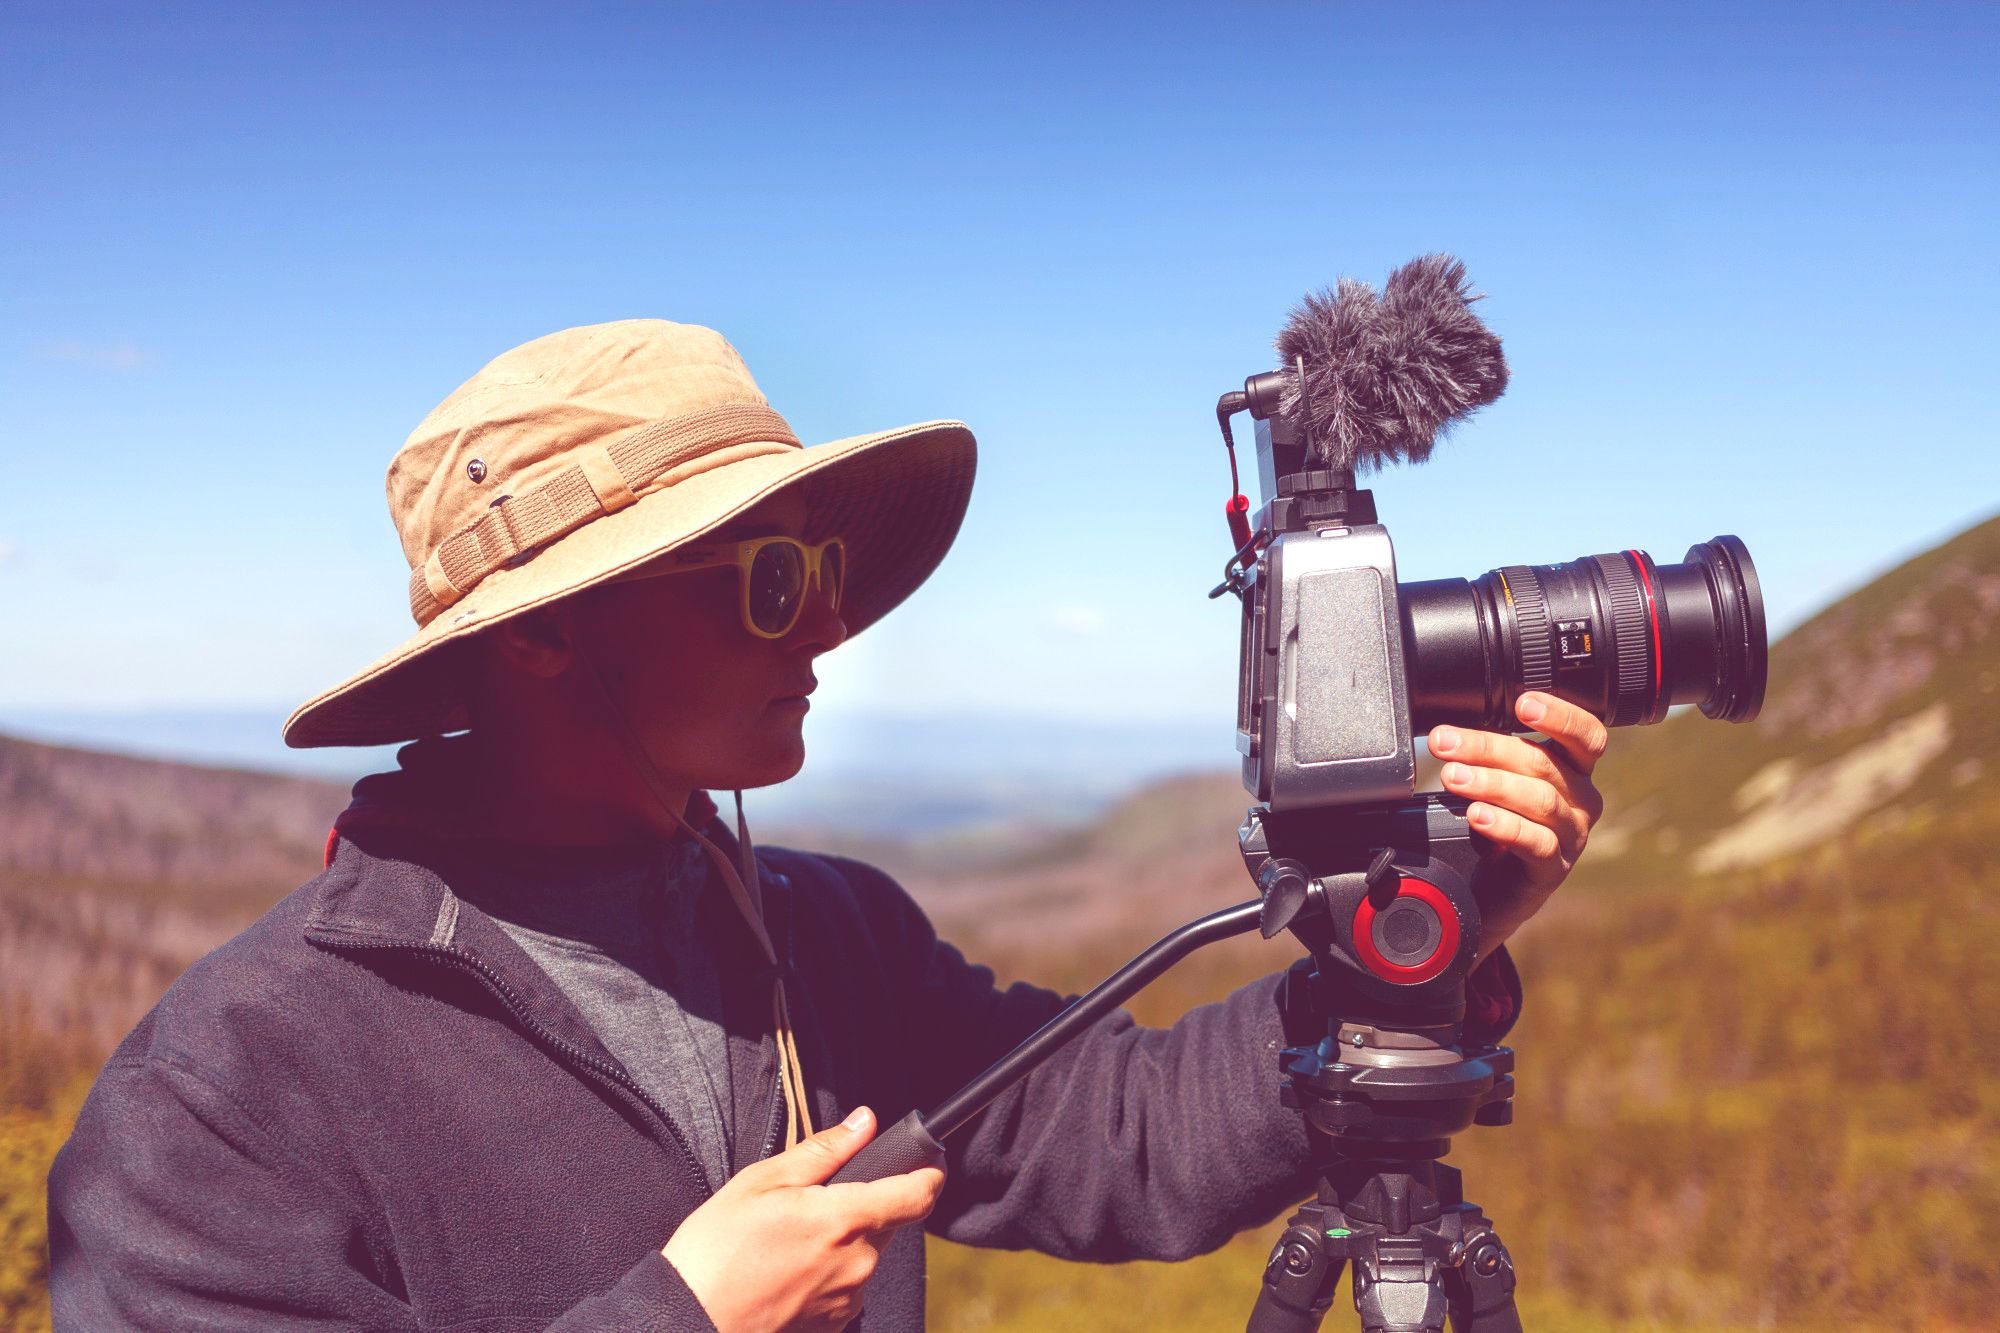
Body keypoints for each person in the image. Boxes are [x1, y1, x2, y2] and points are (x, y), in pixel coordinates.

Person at [46, 320, 1609, 1331]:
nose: (831, 631)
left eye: (827, 574)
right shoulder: (230, 1091)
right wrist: (682, 1315)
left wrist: (1426, 942)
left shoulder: (825, 937)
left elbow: (1122, 1136)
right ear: (541, 635)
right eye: (771, 580)